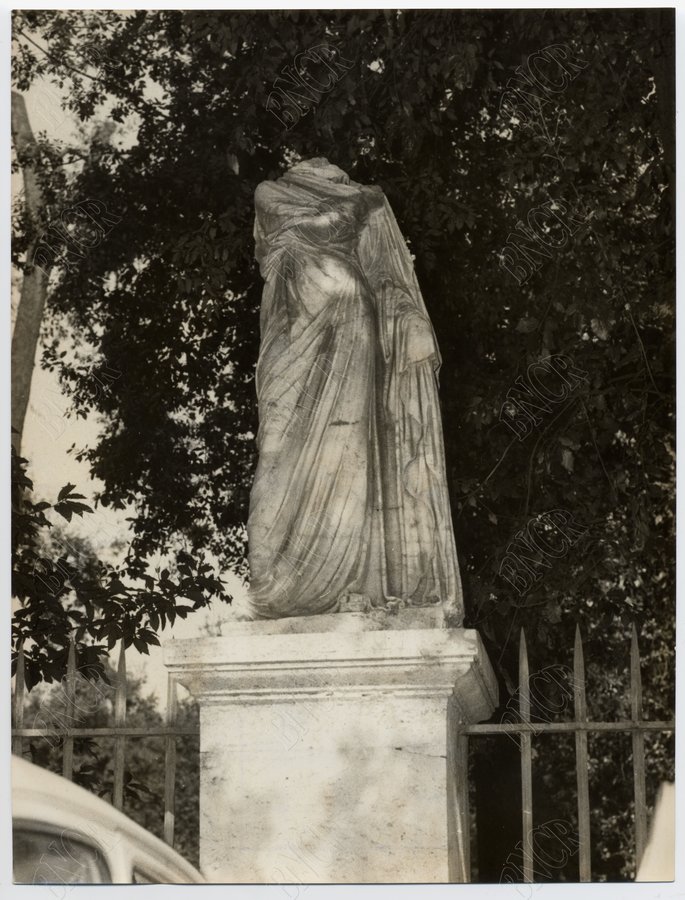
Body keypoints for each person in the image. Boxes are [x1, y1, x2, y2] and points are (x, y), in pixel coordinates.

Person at [246, 157, 463, 623]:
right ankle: (272, 585)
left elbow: (387, 275)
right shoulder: (274, 190)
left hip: (352, 322)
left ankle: (352, 582)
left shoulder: (367, 202)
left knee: (349, 447)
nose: (319, 162)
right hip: (291, 330)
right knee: (276, 449)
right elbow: (317, 226)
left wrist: (410, 318)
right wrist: (356, 201)